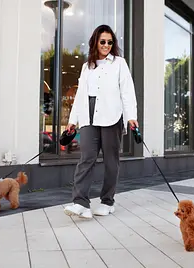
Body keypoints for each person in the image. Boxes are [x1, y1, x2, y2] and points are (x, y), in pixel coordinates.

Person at [63, 24, 138, 219]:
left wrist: (131, 116)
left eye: (109, 42)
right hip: (88, 115)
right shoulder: (86, 66)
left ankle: (107, 201)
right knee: (86, 158)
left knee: (111, 161)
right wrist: (73, 120)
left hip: (111, 115)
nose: (106, 45)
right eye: (102, 41)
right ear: (95, 42)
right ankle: (81, 203)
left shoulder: (119, 63)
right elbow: (80, 94)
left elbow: (127, 91)